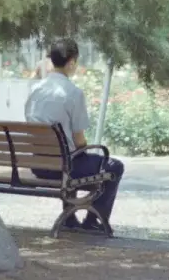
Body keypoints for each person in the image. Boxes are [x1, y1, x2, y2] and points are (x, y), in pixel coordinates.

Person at [24, 38, 125, 232]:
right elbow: (80, 141)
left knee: (72, 157)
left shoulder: (35, 90)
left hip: (39, 164)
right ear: (71, 62)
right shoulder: (73, 93)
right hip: (64, 167)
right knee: (113, 166)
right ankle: (94, 220)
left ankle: (70, 218)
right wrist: (82, 148)